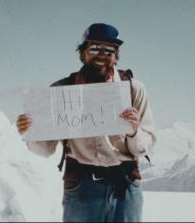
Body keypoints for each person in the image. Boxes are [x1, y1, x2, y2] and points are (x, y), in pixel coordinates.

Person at [17, 23, 156, 222]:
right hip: (82, 186)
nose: (102, 54)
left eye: (109, 50)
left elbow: (146, 144)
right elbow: (44, 150)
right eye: (95, 48)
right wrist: (30, 131)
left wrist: (134, 132)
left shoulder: (133, 89)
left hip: (125, 185)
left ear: (116, 56)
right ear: (83, 53)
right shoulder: (59, 91)